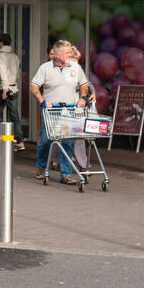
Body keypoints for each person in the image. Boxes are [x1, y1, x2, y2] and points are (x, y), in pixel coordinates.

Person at [30, 40, 90, 185]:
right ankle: (41, 166)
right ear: (56, 54)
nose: (70, 54)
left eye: (70, 51)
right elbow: (33, 85)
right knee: (46, 140)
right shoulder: (45, 68)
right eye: (67, 52)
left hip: (70, 109)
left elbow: (84, 84)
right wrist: (41, 100)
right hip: (51, 109)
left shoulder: (75, 67)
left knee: (68, 141)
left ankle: (66, 174)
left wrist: (82, 98)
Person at [0, 34, 23, 148]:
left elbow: (2, 73)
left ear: (1, 43)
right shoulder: (14, 56)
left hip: (3, 90)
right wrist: (13, 85)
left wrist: (5, 89)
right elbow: (18, 73)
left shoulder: (1, 56)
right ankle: (20, 141)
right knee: (15, 116)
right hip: (14, 88)